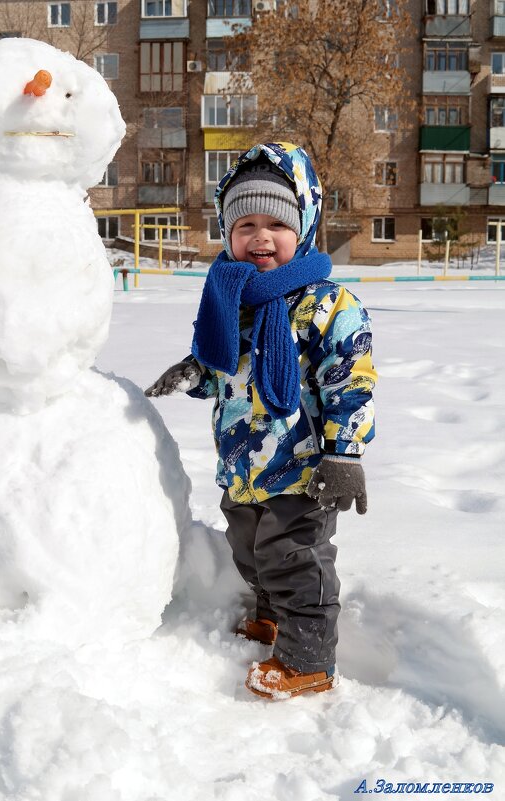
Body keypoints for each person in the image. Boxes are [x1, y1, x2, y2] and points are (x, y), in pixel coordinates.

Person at [145, 142, 376, 700]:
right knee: (250, 554)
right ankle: (272, 622)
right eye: (245, 224)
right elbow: (224, 368)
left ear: (305, 228)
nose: (261, 237)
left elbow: (351, 382)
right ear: (227, 233)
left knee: (296, 562)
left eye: (277, 223)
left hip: (302, 470)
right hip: (242, 467)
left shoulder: (326, 303)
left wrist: (344, 454)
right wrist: (191, 374)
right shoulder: (230, 300)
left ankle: (309, 660)